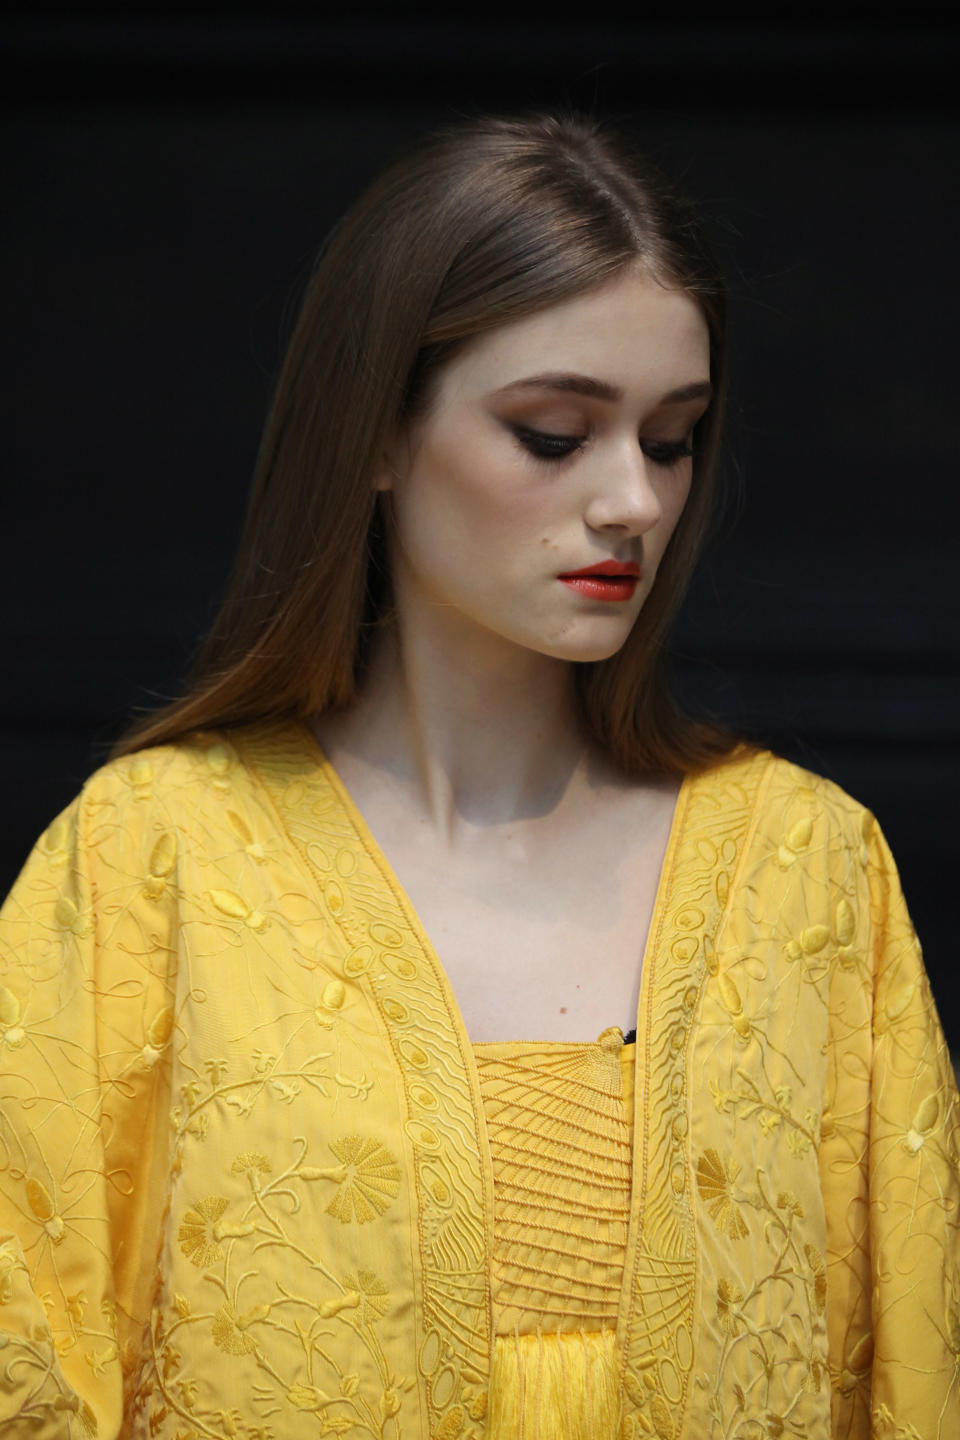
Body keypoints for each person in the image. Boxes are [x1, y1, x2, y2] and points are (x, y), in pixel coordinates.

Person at [0, 113, 957, 1440]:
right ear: (377, 436)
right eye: (556, 436)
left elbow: (916, 1375)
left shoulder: (807, 872)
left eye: (673, 440)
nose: (632, 499)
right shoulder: (150, 866)